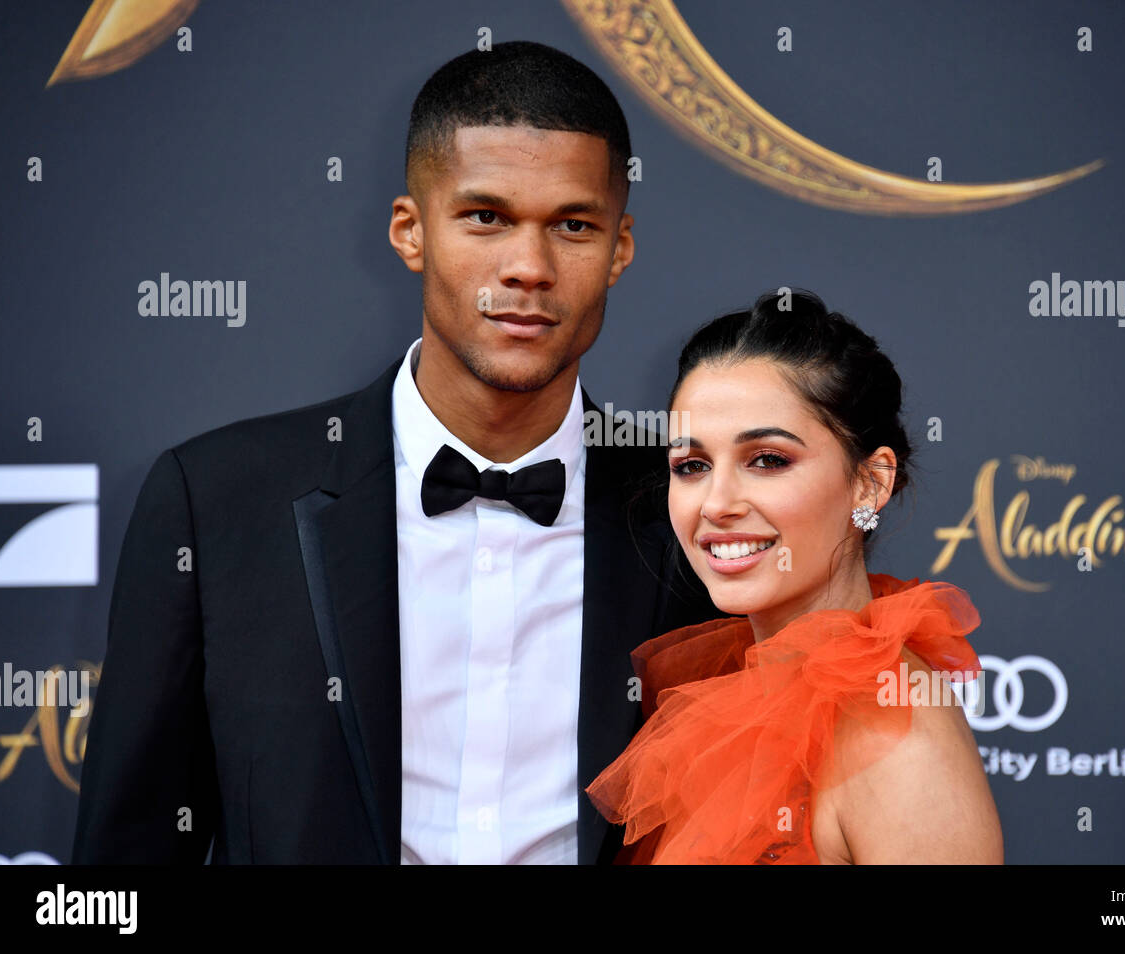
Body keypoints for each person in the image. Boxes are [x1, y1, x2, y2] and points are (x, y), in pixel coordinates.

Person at [71, 40, 719, 865]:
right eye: (486, 217)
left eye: (573, 226)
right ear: (410, 231)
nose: (528, 267)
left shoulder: (688, 513)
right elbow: (121, 865)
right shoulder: (216, 500)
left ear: (620, 249)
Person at [586, 289, 1004, 863]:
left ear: (870, 482)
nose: (717, 502)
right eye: (692, 466)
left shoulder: (891, 730)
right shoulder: (723, 707)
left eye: (768, 460)